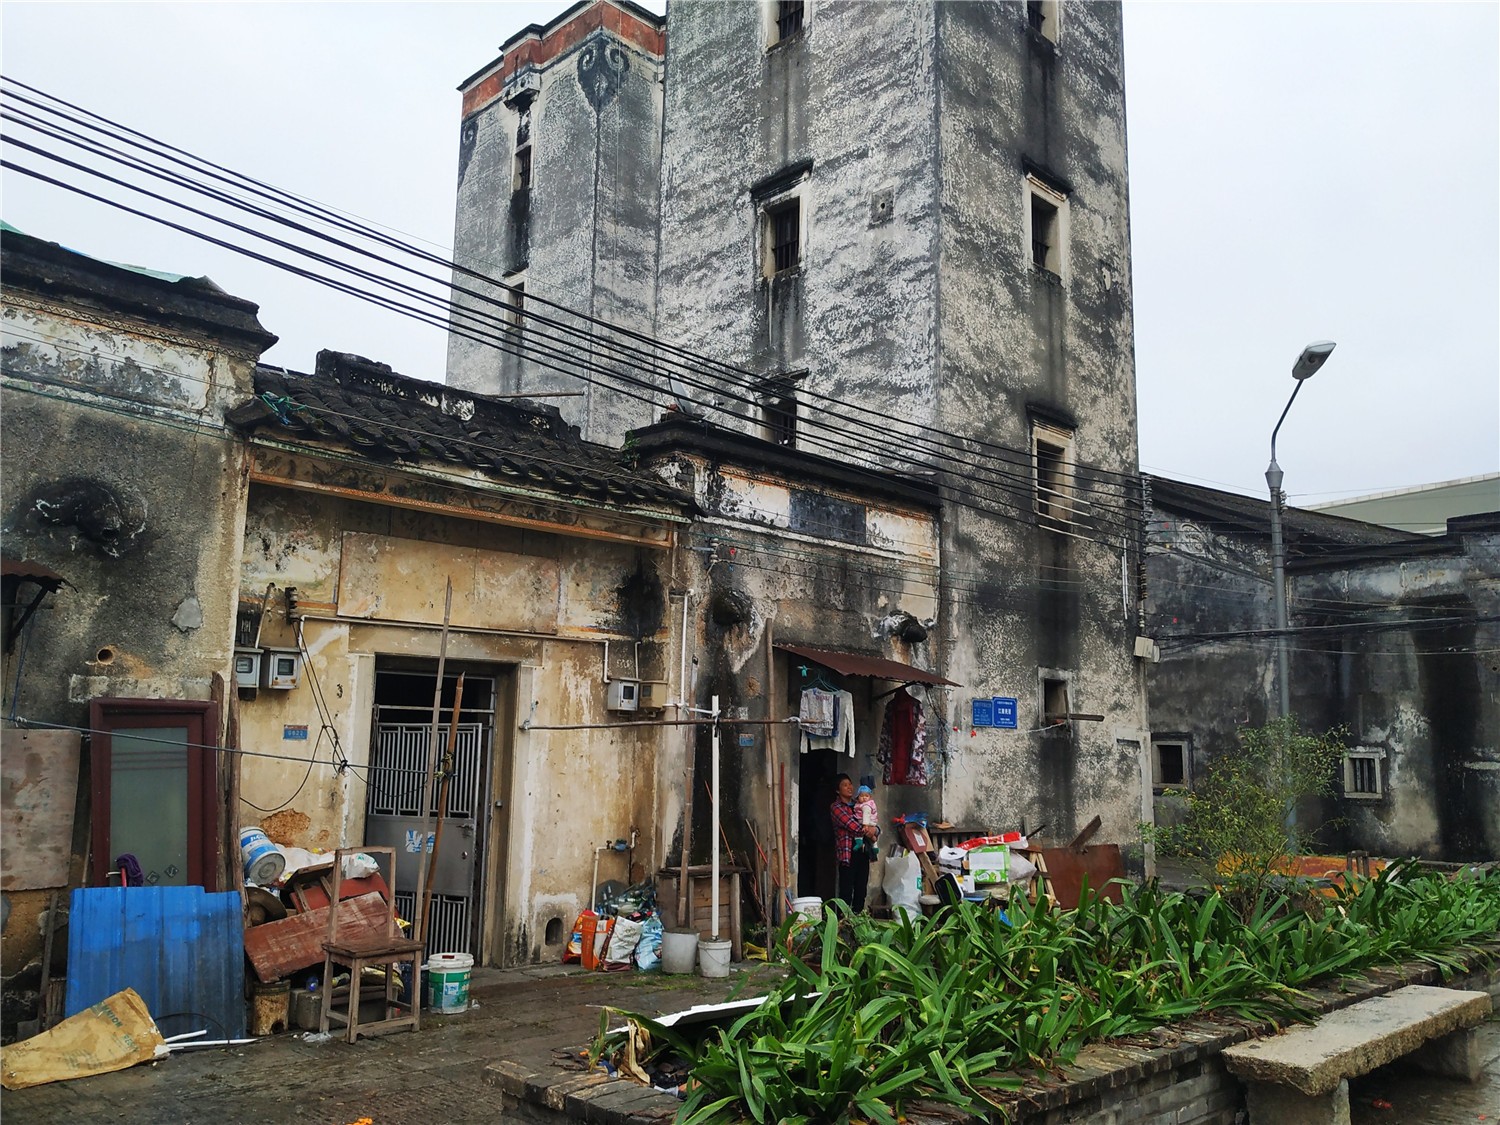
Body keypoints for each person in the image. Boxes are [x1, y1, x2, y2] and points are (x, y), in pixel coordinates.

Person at [830, 773, 879, 910]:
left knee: (861, 889)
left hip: (863, 852)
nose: (849, 787)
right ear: (838, 791)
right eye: (845, 785)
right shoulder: (836, 807)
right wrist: (871, 831)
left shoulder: (858, 804)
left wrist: (874, 830)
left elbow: (874, 823)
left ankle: (858, 923)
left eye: (850, 784)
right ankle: (843, 924)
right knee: (846, 892)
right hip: (848, 855)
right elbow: (854, 826)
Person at [854, 785, 880, 860]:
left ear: (870, 797)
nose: (864, 798)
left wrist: (865, 825)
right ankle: (874, 845)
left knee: (863, 831)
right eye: (861, 796)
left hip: (867, 823)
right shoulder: (857, 805)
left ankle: (859, 842)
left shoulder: (866, 806)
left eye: (866, 796)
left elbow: (866, 815)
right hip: (859, 854)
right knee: (869, 835)